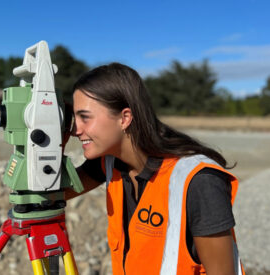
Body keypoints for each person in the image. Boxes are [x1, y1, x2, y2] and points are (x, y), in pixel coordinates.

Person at [64, 63, 245, 275]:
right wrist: (53, 139)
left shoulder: (198, 181)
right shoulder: (110, 163)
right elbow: (49, 195)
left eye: (85, 117)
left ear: (124, 118)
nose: (76, 129)